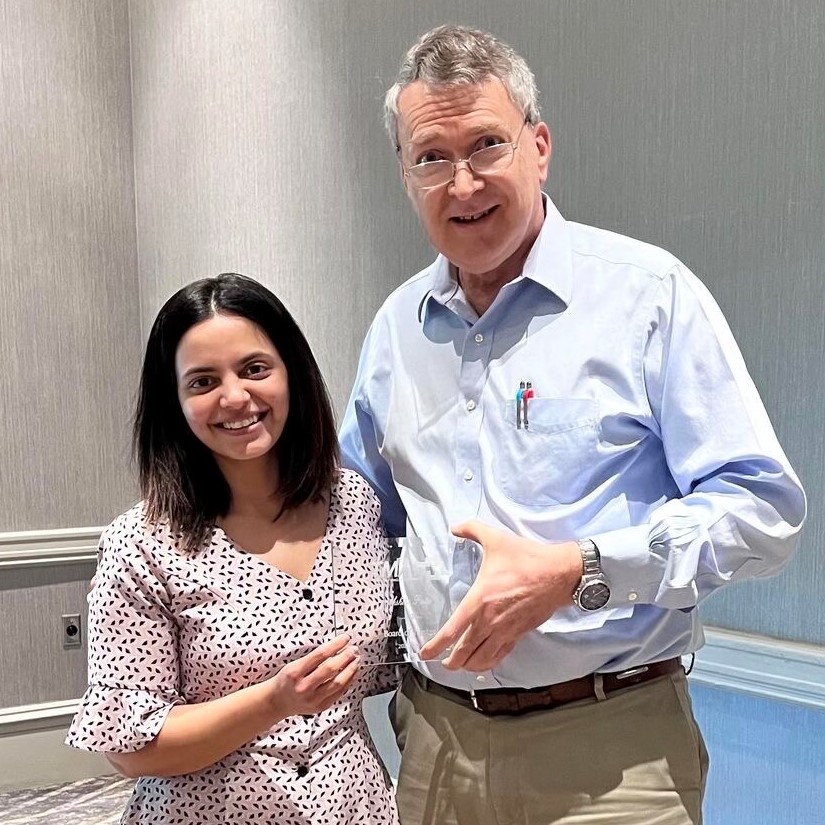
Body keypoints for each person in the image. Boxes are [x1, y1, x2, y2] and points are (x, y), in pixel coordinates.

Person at [339, 24, 806, 825]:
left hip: (609, 751)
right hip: (435, 745)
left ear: (539, 145)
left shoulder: (647, 295)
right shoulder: (397, 327)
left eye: (486, 143)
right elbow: (358, 515)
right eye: (430, 157)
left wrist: (580, 568)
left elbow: (762, 511)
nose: (462, 184)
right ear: (404, 175)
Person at [67, 273, 399, 824]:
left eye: (254, 369)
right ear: (173, 401)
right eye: (202, 381)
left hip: (356, 807)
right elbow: (131, 748)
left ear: (291, 372)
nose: (235, 397)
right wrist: (274, 701)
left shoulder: (352, 502)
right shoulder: (143, 544)